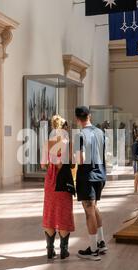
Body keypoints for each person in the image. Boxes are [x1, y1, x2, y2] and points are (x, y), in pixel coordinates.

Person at [73, 106, 107, 261]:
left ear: (77, 118)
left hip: (87, 177)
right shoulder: (100, 132)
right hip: (100, 175)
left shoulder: (79, 135)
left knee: (89, 212)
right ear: (90, 116)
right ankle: (101, 242)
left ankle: (93, 250)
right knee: (94, 207)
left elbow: (81, 159)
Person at [41, 115, 75, 260]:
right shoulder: (67, 143)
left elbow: (43, 165)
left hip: (50, 182)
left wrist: (51, 165)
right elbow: (73, 164)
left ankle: (50, 249)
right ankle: (64, 250)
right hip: (63, 183)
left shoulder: (47, 144)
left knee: (50, 213)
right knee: (63, 214)